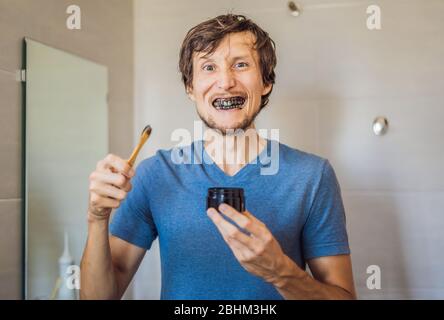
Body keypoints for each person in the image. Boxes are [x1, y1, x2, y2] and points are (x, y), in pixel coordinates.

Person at [80, 14, 356, 300]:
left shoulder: (312, 176)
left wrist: (281, 272)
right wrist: (96, 218)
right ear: (190, 88)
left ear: (266, 82)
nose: (225, 81)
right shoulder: (154, 175)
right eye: (209, 67)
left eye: (241, 64)